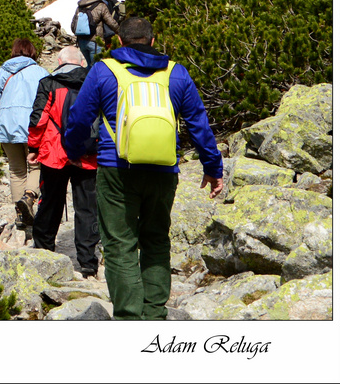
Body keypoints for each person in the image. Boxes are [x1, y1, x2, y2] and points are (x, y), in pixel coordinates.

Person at [63, 16, 224, 321]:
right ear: (153, 41)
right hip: (164, 169)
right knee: (156, 238)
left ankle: (129, 318)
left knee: (119, 244)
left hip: (116, 168)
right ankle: (154, 315)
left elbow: (79, 118)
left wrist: (73, 151)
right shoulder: (176, 73)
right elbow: (199, 123)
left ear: (120, 41)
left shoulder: (103, 70)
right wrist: (212, 167)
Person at [27, 46, 100, 278]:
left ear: (59, 61)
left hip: (54, 153)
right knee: (87, 208)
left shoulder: (49, 83)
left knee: (50, 202)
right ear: (82, 63)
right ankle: (88, 262)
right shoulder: (94, 82)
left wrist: (33, 147)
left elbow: (38, 119)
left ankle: (44, 250)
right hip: (87, 156)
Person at [0, 38, 49, 228]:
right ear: (32, 52)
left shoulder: (2, 72)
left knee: (16, 169)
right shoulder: (40, 72)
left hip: (7, 125)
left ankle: (20, 214)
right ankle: (29, 197)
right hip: (32, 127)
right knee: (36, 166)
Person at [72, 0, 120, 69]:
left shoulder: (80, 6)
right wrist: (120, 32)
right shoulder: (101, 5)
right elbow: (111, 22)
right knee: (98, 67)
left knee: (90, 66)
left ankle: (86, 82)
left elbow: (73, 24)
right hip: (95, 41)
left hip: (81, 41)